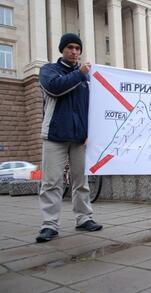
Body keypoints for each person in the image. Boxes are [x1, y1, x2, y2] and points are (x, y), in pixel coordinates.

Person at [36, 33, 103, 243]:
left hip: (79, 138)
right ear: (62, 50)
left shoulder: (87, 77)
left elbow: (92, 107)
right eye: (70, 47)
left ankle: (84, 218)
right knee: (51, 182)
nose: (74, 51)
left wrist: (89, 132)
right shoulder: (49, 70)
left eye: (77, 48)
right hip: (54, 135)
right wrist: (81, 74)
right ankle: (49, 225)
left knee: (81, 181)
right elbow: (55, 89)